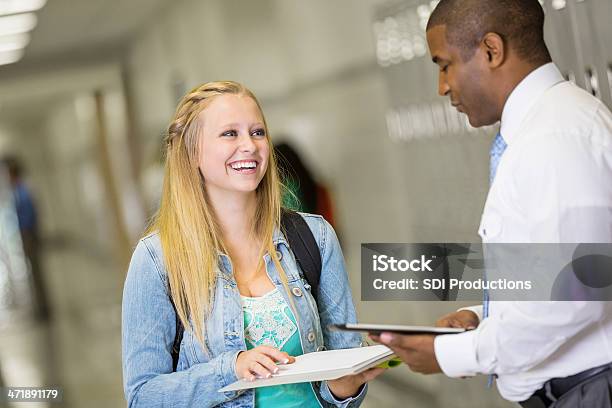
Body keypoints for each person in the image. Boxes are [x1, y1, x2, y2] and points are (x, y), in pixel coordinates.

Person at [371, 0, 612, 407]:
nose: (442, 87)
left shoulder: (555, 138)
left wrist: (452, 354)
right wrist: (483, 320)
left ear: (490, 50)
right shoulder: (539, 133)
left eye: (444, 64)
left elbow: (575, 295)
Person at [122, 81, 384, 407]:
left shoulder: (314, 237)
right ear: (192, 153)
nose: (249, 145)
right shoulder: (158, 260)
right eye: (229, 134)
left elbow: (342, 383)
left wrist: (346, 386)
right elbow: (142, 397)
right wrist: (230, 370)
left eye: (257, 132)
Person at [1, 156, 50, 321]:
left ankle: (44, 308)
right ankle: (40, 306)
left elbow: (30, 214)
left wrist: (29, 233)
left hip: (28, 234)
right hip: (25, 234)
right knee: (33, 273)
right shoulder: (18, 191)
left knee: (36, 272)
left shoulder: (23, 190)